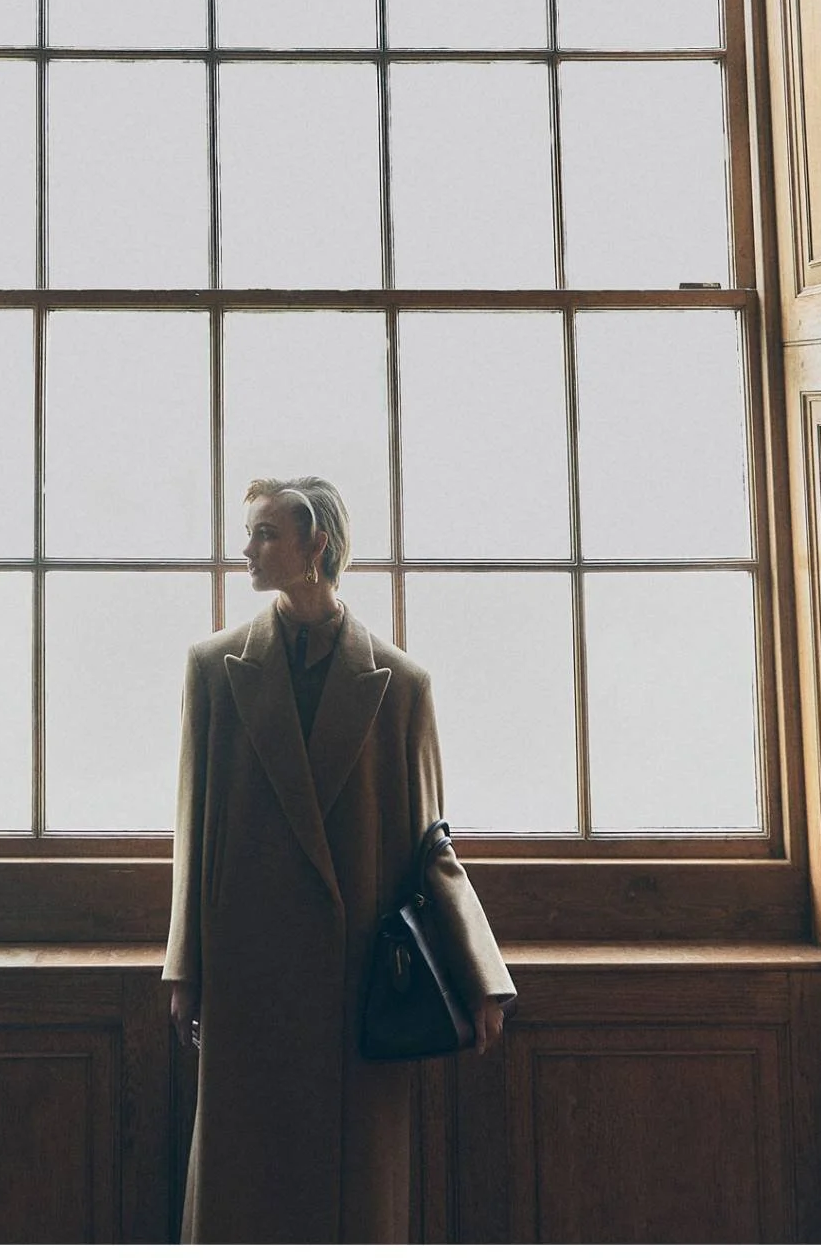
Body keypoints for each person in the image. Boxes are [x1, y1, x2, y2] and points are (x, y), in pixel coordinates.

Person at [163, 475, 516, 1243]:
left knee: (352, 1205)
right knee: (240, 1194)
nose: (246, 550)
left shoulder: (401, 687)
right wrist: (184, 969)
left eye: (264, 534)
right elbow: (192, 834)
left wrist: (481, 977)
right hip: (247, 978)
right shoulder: (215, 671)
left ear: (315, 545)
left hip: (355, 984)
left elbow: (433, 849)